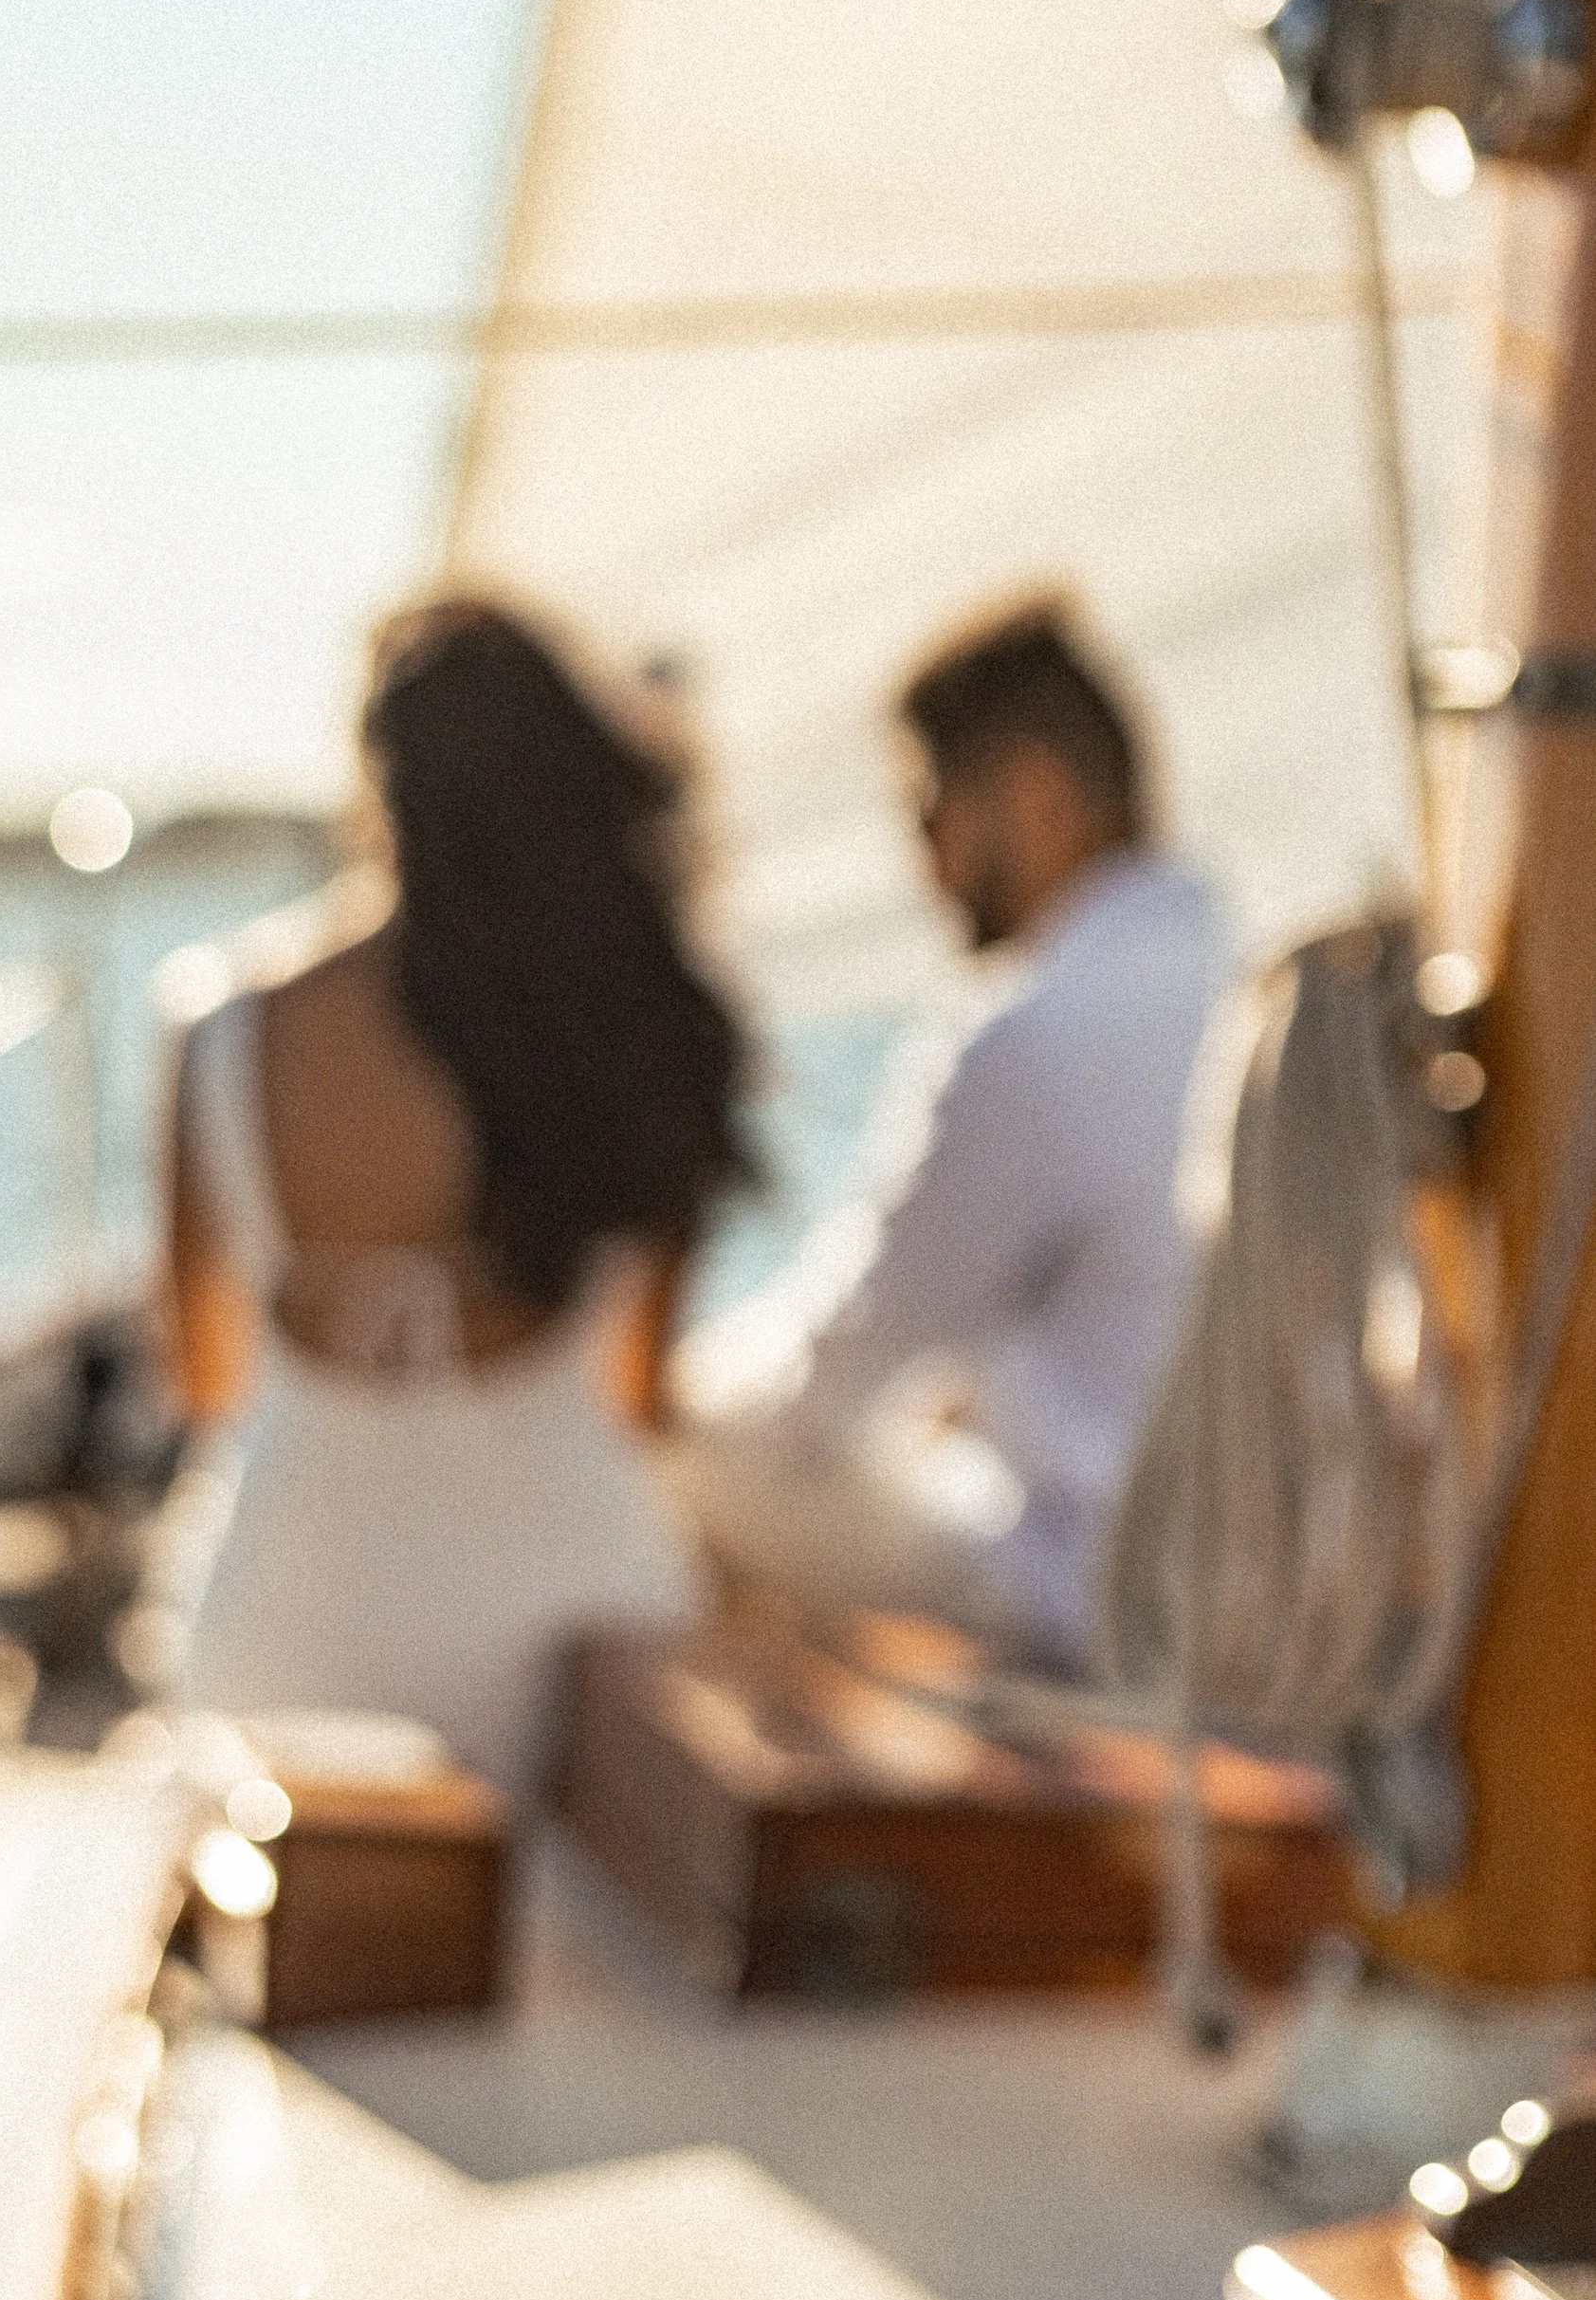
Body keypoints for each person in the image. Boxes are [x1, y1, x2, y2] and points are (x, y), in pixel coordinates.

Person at [156, 598, 755, 1795]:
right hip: (572, 1665)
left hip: (287, 1650)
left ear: (379, 786)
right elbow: (638, 1398)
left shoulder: (224, 1030)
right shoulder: (645, 1026)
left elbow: (209, 1382)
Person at [671, 598, 1226, 1674]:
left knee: (685, 1454)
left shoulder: (1031, 1036)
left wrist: (654, 1391)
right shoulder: (1236, 972)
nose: (923, 871)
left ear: (1033, 797)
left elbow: (836, 1362)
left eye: (931, 817)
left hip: (1082, 1594)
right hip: (1223, 1590)